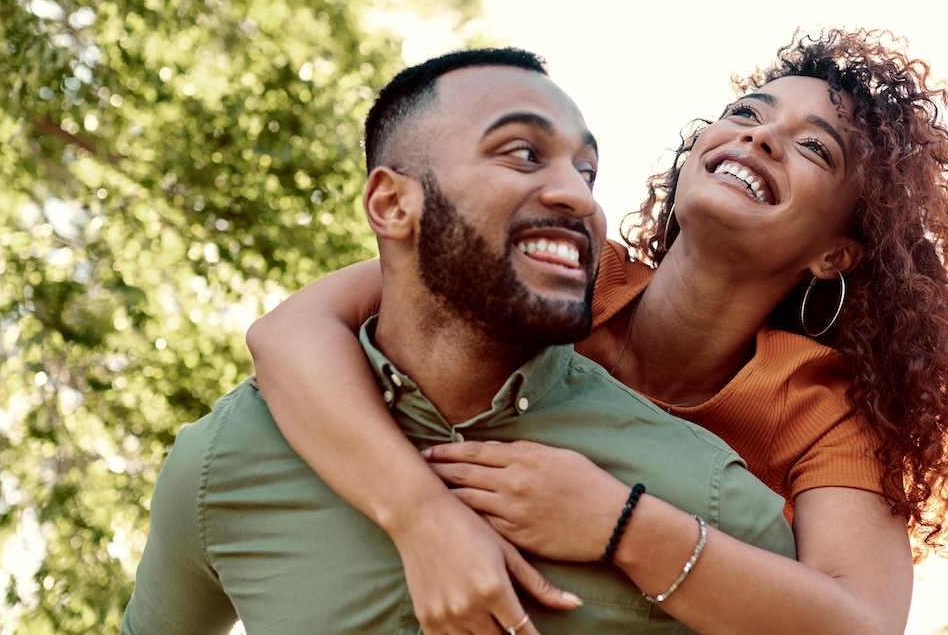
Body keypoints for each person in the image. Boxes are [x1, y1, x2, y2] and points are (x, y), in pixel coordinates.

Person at [247, 28, 948, 635]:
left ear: (834, 253)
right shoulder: (563, 267)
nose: (758, 138)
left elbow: (861, 627)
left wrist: (619, 523)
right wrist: (422, 519)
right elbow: (289, 334)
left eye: (814, 147)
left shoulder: (820, 407)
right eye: (748, 112)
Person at [122, 48, 796, 635]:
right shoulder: (225, 463)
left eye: (586, 172)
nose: (578, 197)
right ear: (391, 206)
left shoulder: (710, 502)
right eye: (523, 153)